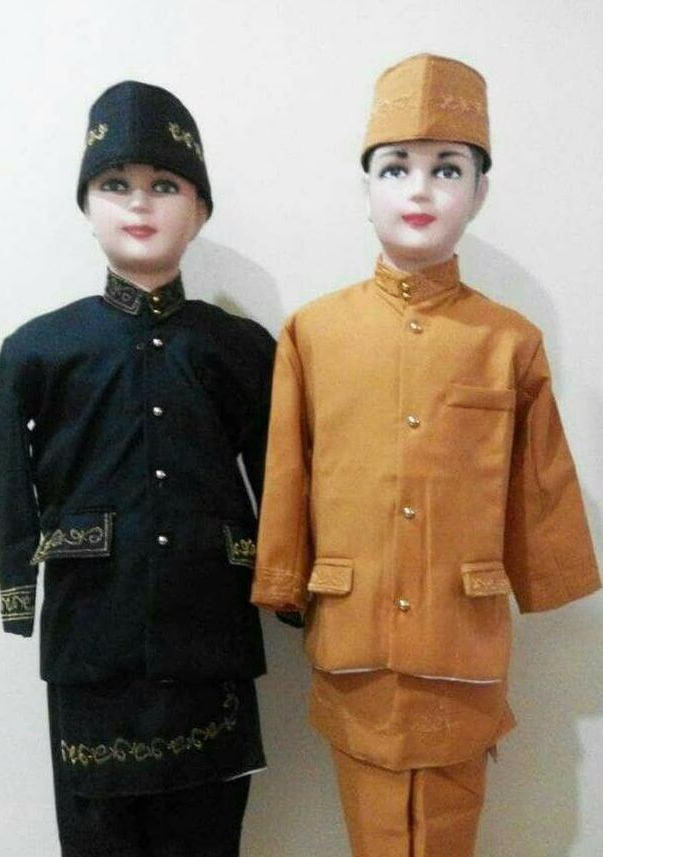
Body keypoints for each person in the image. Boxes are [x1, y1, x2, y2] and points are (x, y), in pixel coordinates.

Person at [250, 53, 600, 857]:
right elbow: (286, 471)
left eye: (446, 169)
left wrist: (547, 575)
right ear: (365, 188)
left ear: (478, 193)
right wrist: (280, 576)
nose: (419, 190)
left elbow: (539, 484)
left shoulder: (508, 341)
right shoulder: (313, 332)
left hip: (459, 639)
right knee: (368, 829)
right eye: (394, 168)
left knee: (450, 832)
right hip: (351, 636)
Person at [0, 80, 275, 857]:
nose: (139, 202)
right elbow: (9, 478)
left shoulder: (241, 349)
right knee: (98, 838)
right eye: (115, 183)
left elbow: (280, 479)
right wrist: (18, 590)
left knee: (207, 838)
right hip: (91, 632)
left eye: (165, 185)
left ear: (200, 210)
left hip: (210, 627)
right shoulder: (38, 349)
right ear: (86, 204)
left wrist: (292, 593)